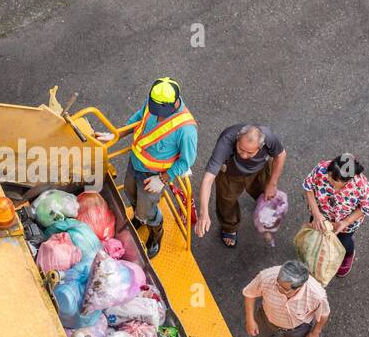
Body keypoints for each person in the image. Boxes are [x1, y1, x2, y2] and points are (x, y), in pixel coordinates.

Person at [121, 77, 198, 258]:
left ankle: (156, 233)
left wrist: (163, 179)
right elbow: (137, 118)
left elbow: (186, 161)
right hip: (135, 164)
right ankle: (140, 219)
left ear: (176, 101)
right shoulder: (152, 104)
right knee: (129, 192)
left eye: (162, 109)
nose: (158, 113)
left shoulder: (186, 130)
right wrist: (115, 135)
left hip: (154, 175)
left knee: (147, 209)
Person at [194, 124, 287, 247]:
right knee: (226, 202)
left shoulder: (268, 137)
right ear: (237, 139)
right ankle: (229, 227)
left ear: (260, 146)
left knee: (266, 194)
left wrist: (273, 183)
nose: (243, 155)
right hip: (230, 173)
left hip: (259, 169)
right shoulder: (226, 141)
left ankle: (263, 210)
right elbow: (208, 178)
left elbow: (281, 155)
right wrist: (203, 213)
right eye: (240, 149)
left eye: (249, 152)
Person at [241, 259, 330, 337]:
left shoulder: (316, 295)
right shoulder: (267, 276)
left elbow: (324, 314)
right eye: (278, 283)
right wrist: (250, 319)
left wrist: (316, 332)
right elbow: (249, 294)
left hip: (298, 327)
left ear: (299, 287)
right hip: (267, 316)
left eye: (283, 289)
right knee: (258, 333)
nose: (277, 288)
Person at [302, 153, 369, 278]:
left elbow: (366, 208)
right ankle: (317, 255)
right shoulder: (321, 169)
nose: (329, 180)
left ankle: (348, 256)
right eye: (329, 175)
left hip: (345, 223)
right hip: (320, 214)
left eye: (334, 180)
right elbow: (309, 188)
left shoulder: (361, 187)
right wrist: (316, 214)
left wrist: (345, 222)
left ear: (347, 181)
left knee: (344, 243)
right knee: (317, 234)